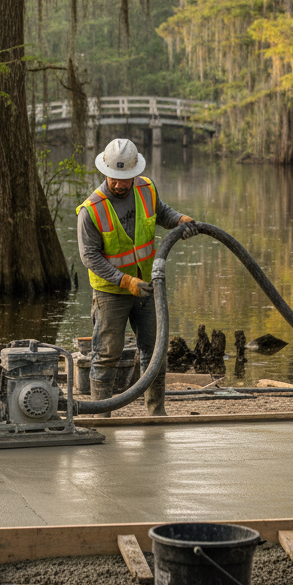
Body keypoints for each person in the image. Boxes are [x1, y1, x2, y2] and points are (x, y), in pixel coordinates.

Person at [76, 138, 199, 416]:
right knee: (107, 354)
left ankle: (156, 412)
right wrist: (125, 281)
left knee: (154, 351)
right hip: (112, 292)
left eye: (126, 179)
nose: (120, 184)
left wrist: (180, 220)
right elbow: (90, 257)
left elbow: (161, 212)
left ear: (135, 173)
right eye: (114, 178)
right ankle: (102, 415)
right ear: (105, 171)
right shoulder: (91, 210)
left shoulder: (146, 188)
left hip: (145, 286)